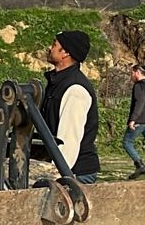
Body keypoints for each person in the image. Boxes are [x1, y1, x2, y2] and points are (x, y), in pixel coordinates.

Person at [35, 30, 99, 182]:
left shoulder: (75, 89)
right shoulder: (56, 83)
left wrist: (56, 177)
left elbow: (68, 140)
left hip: (74, 172)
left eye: (54, 45)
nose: (49, 48)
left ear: (65, 53)